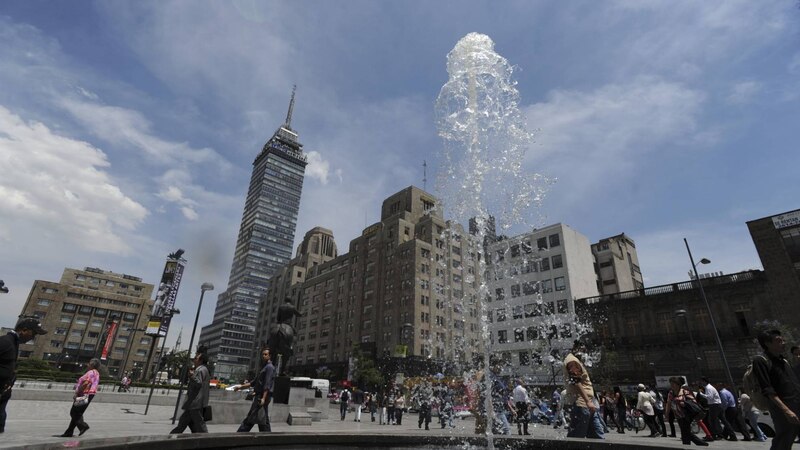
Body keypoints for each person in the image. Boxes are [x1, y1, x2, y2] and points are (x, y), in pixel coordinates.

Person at [752, 329, 800, 449]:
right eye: (779, 341)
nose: (783, 343)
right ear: (767, 343)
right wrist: (786, 411)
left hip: (797, 404)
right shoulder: (761, 361)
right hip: (784, 408)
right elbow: (767, 389)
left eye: (783, 340)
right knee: (784, 440)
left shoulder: (783, 361)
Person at [0, 317, 47, 433]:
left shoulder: (13, 343)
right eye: (34, 333)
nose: (33, 337)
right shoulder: (5, 342)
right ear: (24, 330)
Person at [563, 340, 604, 439]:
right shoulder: (572, 361)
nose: (585, 351)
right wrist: (587, 401)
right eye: (583, 348)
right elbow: (576, 381)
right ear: (576, 348)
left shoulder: (576, 360)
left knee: (597, 435)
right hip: (581, 404)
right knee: (577, 437)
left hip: (588, 405)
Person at [236, 347, 275, 432]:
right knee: (263, 419)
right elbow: (253, 382)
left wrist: (263, 398)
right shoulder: (264, 367)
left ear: (270, 356)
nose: (263, 356)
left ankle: (240, 434)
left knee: (252, 417)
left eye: (265, 354)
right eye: (262, 354)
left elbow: (267, 385)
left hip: (262, 397)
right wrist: (240, 387)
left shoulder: (269, 368)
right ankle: (267, 437)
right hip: (259, 396)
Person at [170, 352, 210, 434]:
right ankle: (172, 437)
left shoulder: (200, 369)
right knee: (183, 424)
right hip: (194, 403)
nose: (194, 359)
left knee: (200, 426)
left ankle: (206, 441)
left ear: (201, 360)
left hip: (195, 403)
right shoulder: (203, 369)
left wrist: (192, 376)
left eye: (196, 358)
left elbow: (198, 384)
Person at [60, 358, 101, 437]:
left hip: (84, 394)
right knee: (78, 413)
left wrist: (77, 393)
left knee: (74, 412)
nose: (87, 365)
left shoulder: (91, 372)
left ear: (92, 365)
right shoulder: (97, 373)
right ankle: (69, 432)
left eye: (89, 363)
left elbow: (86, 383)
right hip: (90, 394)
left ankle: (83, 426)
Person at [665, 376, 709, 446]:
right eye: (671, 384)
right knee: (685, 431)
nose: (672, 386)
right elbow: (668, 403)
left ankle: (689, 445)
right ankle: (700, 443)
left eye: (673, 384)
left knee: (685, 432)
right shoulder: (671, 393)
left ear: (678, 384)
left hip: (686, 415)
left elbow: (693, 401)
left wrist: (684, 403)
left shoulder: (684, 391)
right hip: (678, 415)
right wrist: (667, 414)